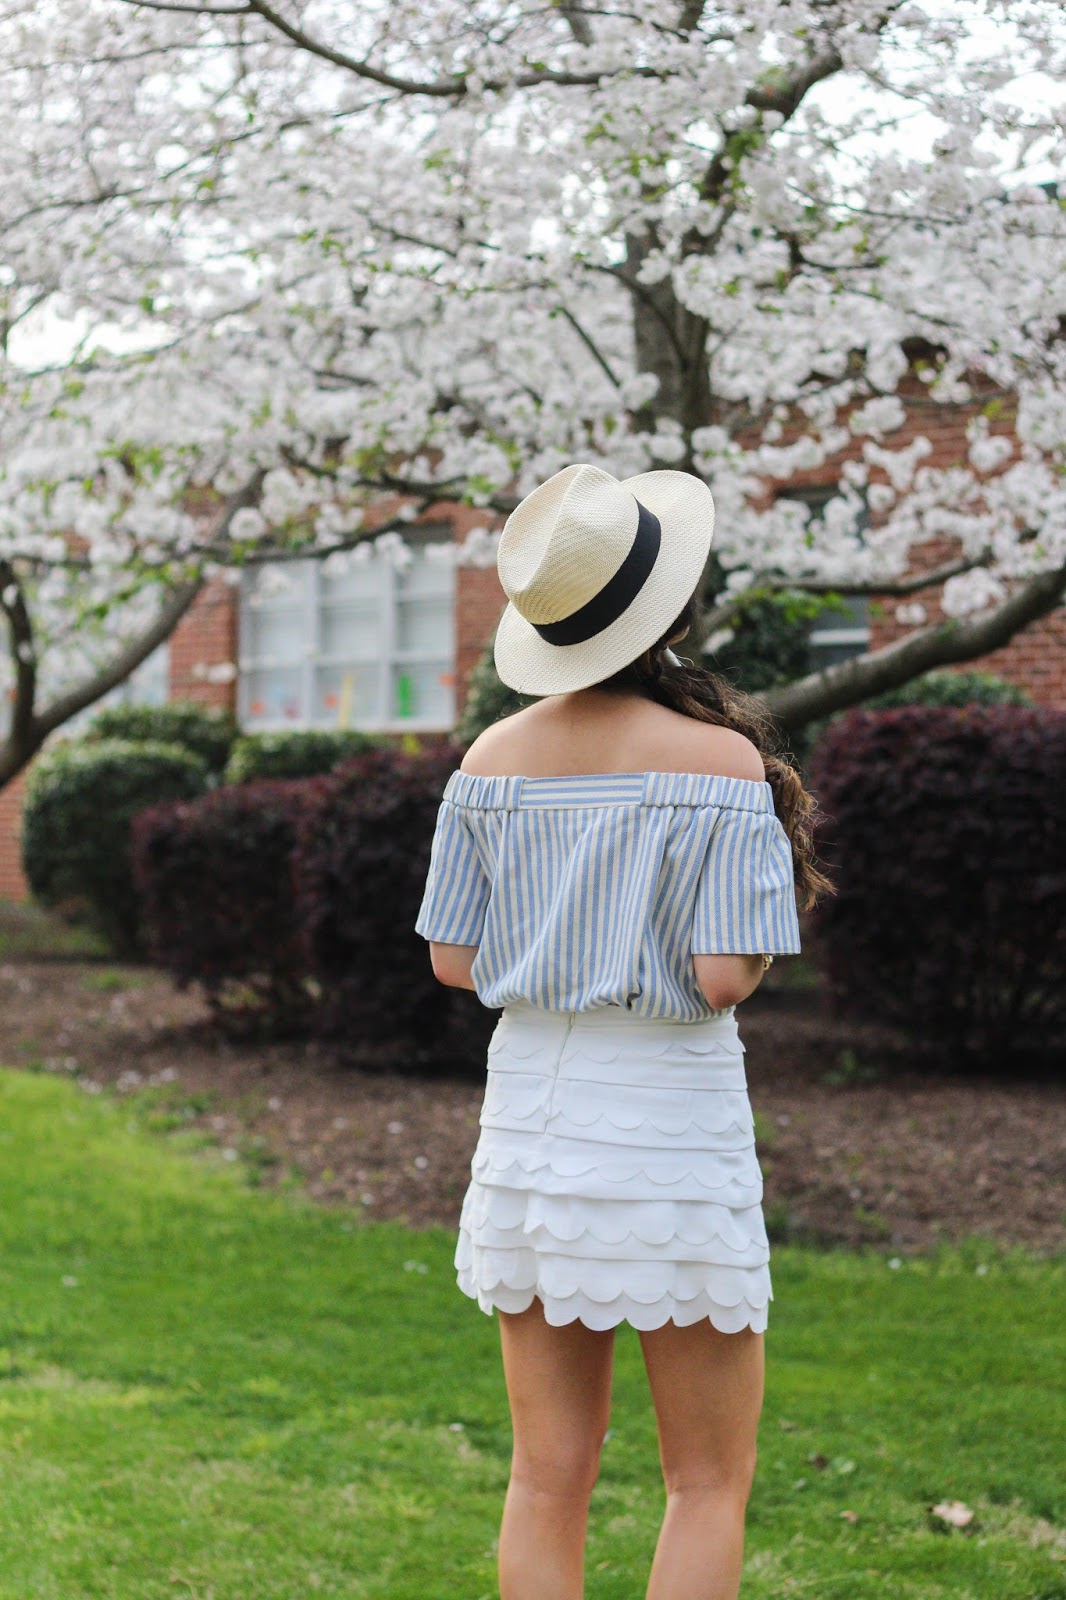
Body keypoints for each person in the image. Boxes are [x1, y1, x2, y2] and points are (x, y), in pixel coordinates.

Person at [414, 462, 833, 1600]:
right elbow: (720, 978)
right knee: (706, 1480)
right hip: (666, 1127)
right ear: (670, 609)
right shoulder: (723, 763)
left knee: (545, 1478)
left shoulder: (488, 762)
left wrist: (559, 951)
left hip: (533, 1124)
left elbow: (452, 961)